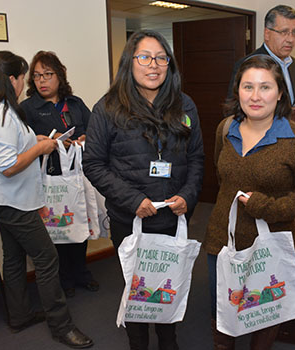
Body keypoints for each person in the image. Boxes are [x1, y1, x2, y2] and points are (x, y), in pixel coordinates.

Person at [82, 30, 204, 350]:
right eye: (145, 57)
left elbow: (196, 159)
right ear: (129, 62)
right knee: (137, 290)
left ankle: (169, 341)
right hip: (129, 220)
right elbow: (93, 164)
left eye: (161, 58)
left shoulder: (185, 105)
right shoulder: (107, 108)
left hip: (172, 218)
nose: (154, 65)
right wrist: (133, 200)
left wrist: (188, 197)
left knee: (167, 286)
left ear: (170, 65)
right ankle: (138, 343)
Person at [0, 51, 93, 349]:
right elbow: (9, 166)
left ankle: (20, 315)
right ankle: (62, 326)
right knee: (47, 258)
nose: (28, 83)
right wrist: (40, 149)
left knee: (12, 258)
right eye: (25, 77)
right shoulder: (0, 116)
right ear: (12, 79)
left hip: (3, 200)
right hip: (14, 202)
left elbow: (9, 149)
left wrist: (34, 141)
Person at [204, 54, 295, 349]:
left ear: (280, 92)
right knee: (223, 313)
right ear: (238, 91)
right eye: (248, 87)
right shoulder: (225, 128)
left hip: (271, 244)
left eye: (265, 87)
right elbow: (225, 182)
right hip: (223, 240)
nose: (255, 96)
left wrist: (266, 207)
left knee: (266, 314)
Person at [21, 51, 99, 298]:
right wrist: (45, 141)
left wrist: (84, 138)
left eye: (47, 75)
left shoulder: (74, 103)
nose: (42, 81)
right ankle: (64, 278)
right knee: (57, 230)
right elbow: (21, 143)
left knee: (78, 224)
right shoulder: (28, 108)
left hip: (77, 176)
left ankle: (81, 273)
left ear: (60, 75)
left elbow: (93, 129)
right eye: (36, 76)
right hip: (47, 180)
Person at [228, 5, 295, 108]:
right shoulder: (248, 64)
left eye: (294, 32)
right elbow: (233, 109)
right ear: (267, 34)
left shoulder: (294, 65)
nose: (291, 39)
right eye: (284, 32)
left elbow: (288, 107)